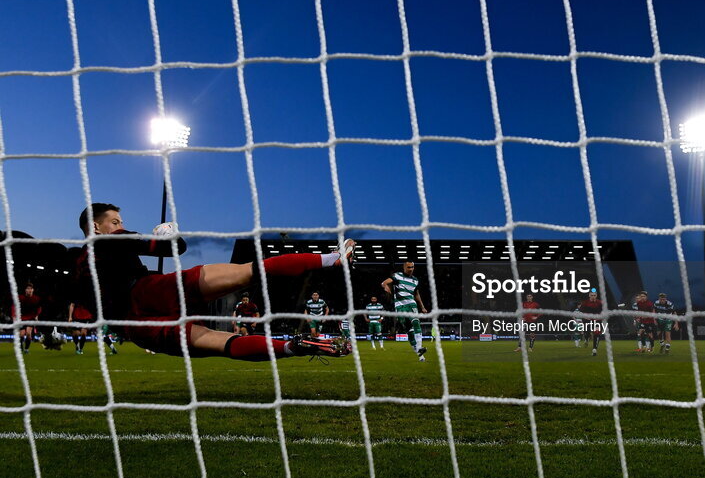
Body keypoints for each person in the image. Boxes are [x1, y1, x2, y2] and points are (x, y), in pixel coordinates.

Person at [73, 202, 351, 360]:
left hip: (136, 328)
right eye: (115, 221)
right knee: (249, 271)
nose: (120, 226)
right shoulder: (111, 240)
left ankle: (291, 348)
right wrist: (169, 234)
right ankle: (331, 260)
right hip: (151, 292)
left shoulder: (78, 268)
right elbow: (175, 249)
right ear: (96, 227)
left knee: (223, 343)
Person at [382, 261, 429, 361]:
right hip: (400, 306)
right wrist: (385, 286)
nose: (411, 269)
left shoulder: (415, 280)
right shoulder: (397, 276)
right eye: (408, 267)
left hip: (411, 304)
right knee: (409, 331)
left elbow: (416, 294)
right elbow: (384, 282)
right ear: (404, 267)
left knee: (416, 322)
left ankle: (420, 347)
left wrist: (423, 307)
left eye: (412, 267)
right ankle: (420, 355)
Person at [11, 283, 42, 353]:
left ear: (33, 290)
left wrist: (36, 315)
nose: (29, 290)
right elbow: (14, 306)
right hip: (21, 318)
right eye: (28, 289)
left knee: (28, 333)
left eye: (31, 289)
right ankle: (21, 346)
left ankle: (27, 349)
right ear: (25, 290)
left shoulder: (36, 298)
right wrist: (14, 316)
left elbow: (39, 308)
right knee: (21, 334)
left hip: (31, 318)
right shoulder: (20, 297)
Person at [579, 288, 603, 357]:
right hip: (587, 320)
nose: (593, 296)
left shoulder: (600, 303)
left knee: (597, 333)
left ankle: (594, 349)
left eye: (594, 295)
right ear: (589, 295)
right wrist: (585, 317)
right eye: (592, 295)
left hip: (597, 320)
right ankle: (586, 339)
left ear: (596, 295)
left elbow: (603, 311)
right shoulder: (585, 303)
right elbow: (580, 312)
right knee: (587, 332)